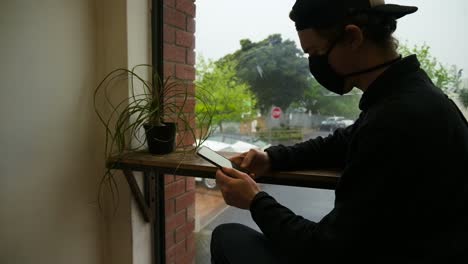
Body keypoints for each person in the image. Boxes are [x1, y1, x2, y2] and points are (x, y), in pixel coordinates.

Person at [210, 0, 468, 263]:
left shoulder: (395, 119)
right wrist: (273, 158)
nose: (314, 65)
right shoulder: (408, 96)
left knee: (227, 237)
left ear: (353, 37)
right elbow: (343, 141)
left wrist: (254, 201)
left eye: (315, 52)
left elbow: (325, 249)